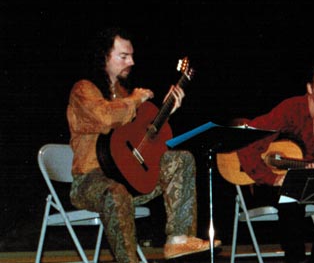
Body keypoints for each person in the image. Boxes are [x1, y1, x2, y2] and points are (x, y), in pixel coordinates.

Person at [66, 27, 219, 263]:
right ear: (103, 56)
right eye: (124, 56)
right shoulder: (83, 90)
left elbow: (142, 141)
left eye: (132, 56)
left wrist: (168, 110)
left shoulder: (124, 93)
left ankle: (178, 239)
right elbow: (105, 118)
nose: (132, 62)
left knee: (181, 158)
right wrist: (135, 100)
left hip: (129, 180)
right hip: (91, 181)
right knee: (116, 193)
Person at [236, 58, 314, 263]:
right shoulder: (290, 109)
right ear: (309, 89)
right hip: (267, 183)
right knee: (292, 201)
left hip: (308, 185)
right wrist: (271, 178)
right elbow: (247, 139)